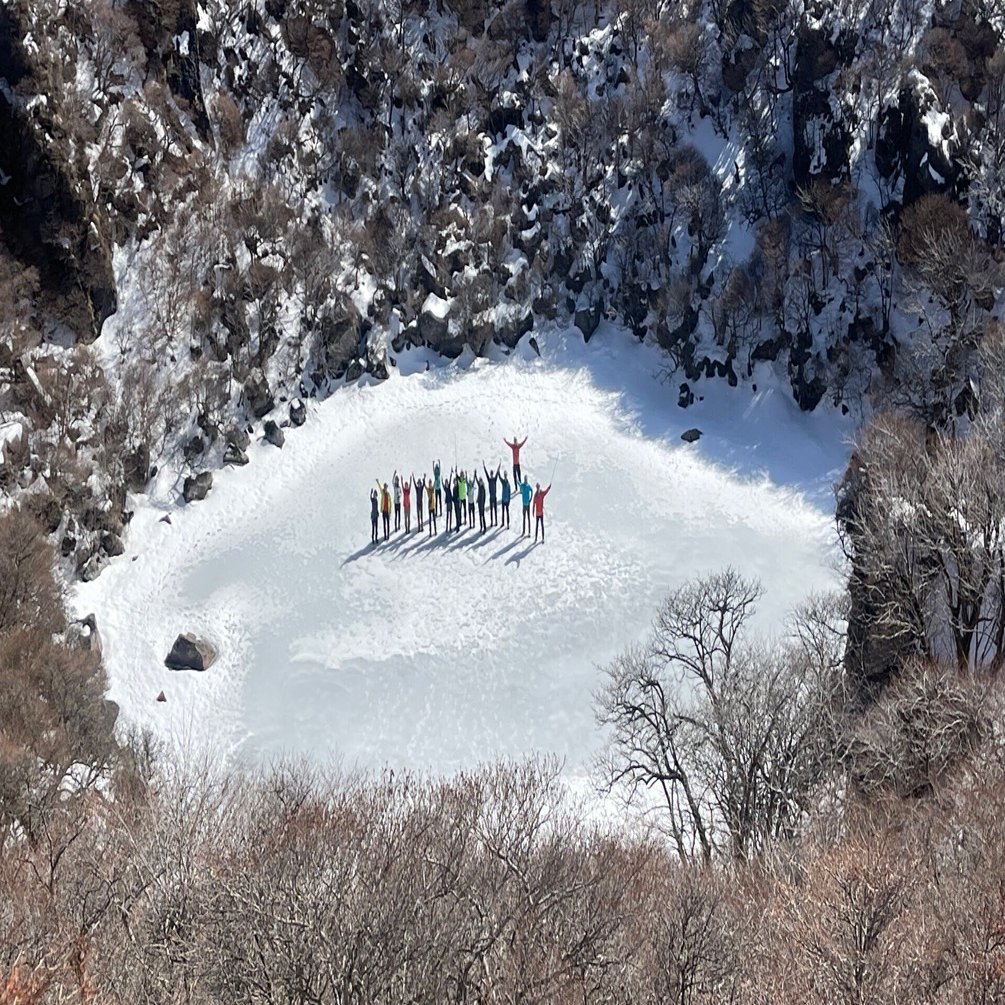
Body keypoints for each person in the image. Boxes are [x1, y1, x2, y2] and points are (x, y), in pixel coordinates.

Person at [483, 462, 500, 526]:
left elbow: (497, 474)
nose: (492, 475)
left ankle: (495, 521)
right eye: (491, 474)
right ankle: (492, 522)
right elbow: (486, 474)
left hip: (494, 497)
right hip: (491, 497)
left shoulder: (494, 479)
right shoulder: (489, 480)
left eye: (492, 474)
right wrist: (484, 467)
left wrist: (499, 466)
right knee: (491, 511)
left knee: (495, 510)